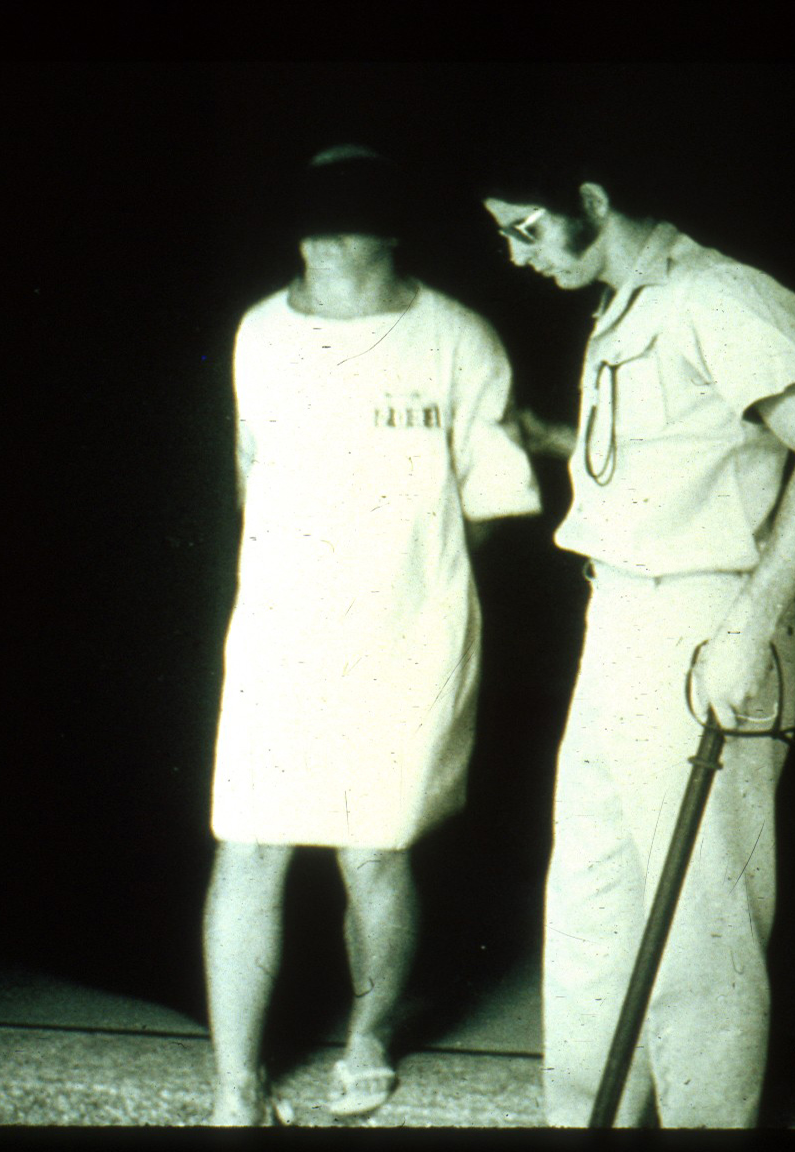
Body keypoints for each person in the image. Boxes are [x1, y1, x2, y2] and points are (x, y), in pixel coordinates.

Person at [482, 163, 795, 1127]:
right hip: (616, 616)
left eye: (527, 229)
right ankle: (584, 1123)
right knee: (592, 902)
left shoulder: (718, 295)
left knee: (697, 924)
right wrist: (546, 438)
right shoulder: (625, 306)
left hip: (704, 625)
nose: (515, 254)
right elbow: (673, 457)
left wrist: (746, 626)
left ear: (593, 199)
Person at [204, 145, 542, 1126]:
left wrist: (403, 576)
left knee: (373, 854)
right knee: (249, 849)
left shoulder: (458, 340)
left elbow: (484, 503)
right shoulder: (258, 333)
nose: (322, 240)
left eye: (345, 218)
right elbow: (249, 474)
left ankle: (369, 1036)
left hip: (409, 632)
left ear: (391, 228)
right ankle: (235, 1087)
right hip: (278, 632)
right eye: (308, 220)